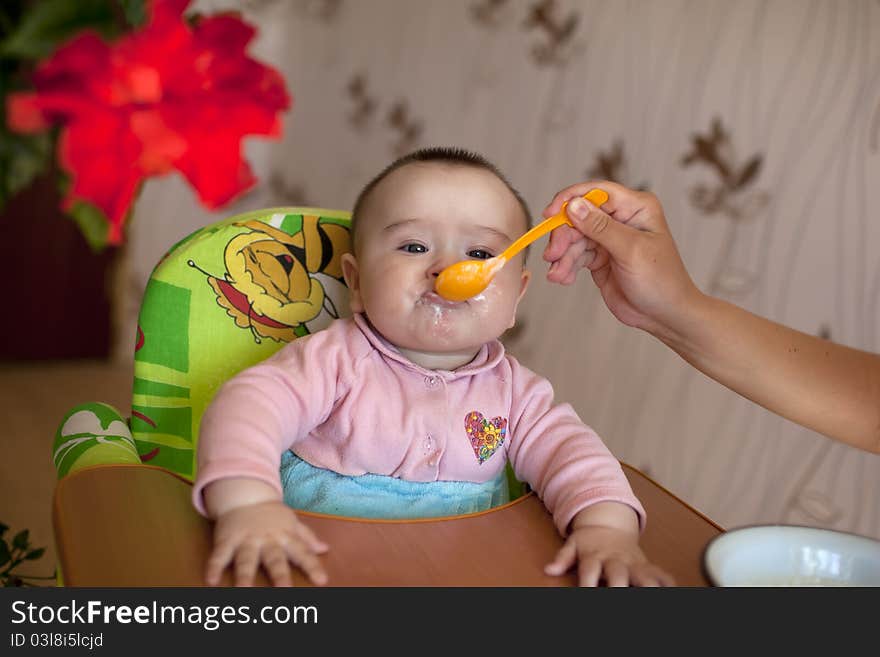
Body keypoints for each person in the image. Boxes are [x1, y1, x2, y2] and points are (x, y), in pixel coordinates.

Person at [192, 148, 674, 588]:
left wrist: (606, 530)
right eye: (414, 247)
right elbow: (249, 407)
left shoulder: (516, 394)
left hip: (460, 572)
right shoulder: (332, 361)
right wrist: (248, 504)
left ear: (515, 299)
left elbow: (575, 456)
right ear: (356, 282)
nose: (445, 269)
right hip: (313, 564)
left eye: (481, 253)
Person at [541, 180, 880, 456]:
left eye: (486, 253)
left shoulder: (527, 401)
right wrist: (676, 308)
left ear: (522, 290)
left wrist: (604, 523)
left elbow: (580, 471)